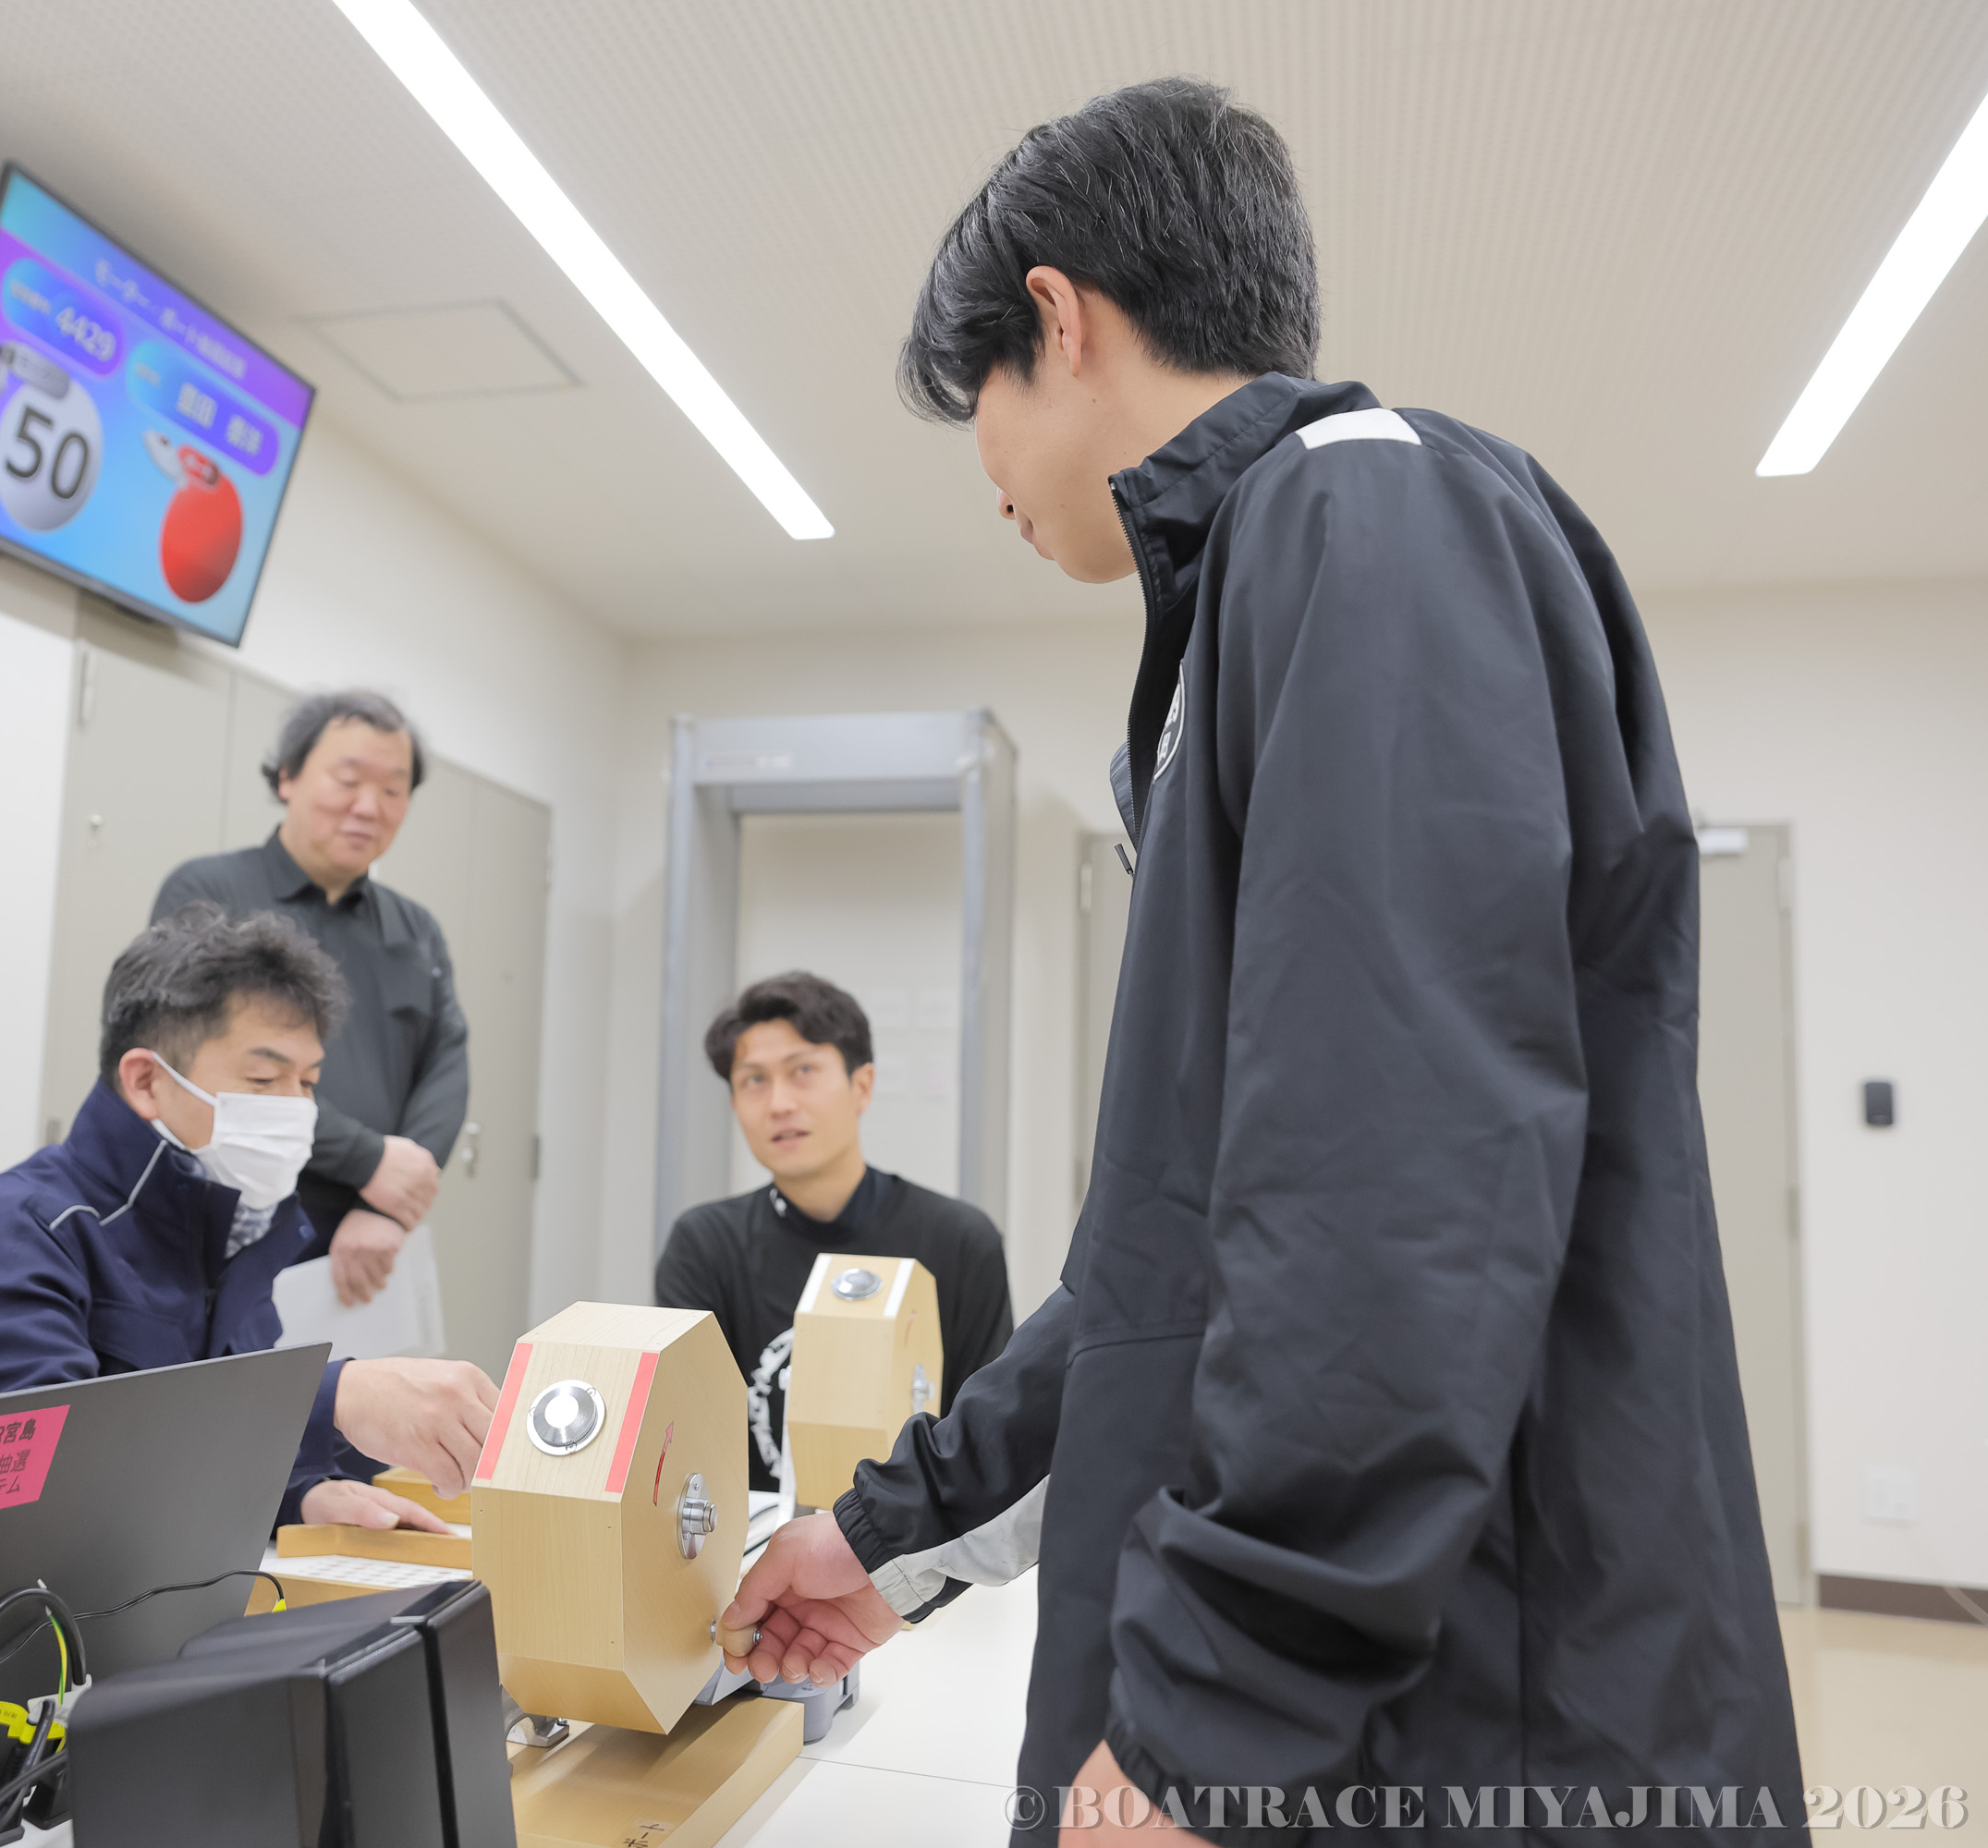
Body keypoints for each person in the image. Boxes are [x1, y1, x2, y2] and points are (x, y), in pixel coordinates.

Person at [719, 79, 1802, 1842]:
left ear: (1058, 319)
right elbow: (1174, 1259)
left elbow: (1397, 1184)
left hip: (1461, 1713)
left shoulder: (1361, 516)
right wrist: (893, 1526)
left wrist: (1218, 1708)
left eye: (980, 401)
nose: (987, 475)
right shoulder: (1266, 586)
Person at [0, 906, 496, 1645]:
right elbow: (34, 1504)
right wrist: (329, 1399)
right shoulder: (10, 1239)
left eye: (308, 1082)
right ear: (145, 1081)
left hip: (121, 1634)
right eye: (265, 1078)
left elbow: (195, 1450)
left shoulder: (232, 1232)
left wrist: (297, 1495)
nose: (298, 1112)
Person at [152, 691, 465, 1307]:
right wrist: (368, 1160)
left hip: (368, 1246)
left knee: (368, 1375)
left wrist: (391, 1206)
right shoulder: (208, 891)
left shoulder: (416, 929)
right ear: (288, 777)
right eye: (348, 781)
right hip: (226, 1230)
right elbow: (200, 1063)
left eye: (393, 790)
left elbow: (446, 1065)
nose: (369, 807)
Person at [654, 972, 1011, 1500]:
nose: (779, 1103)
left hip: (920, 1541)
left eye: (803, 1071)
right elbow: (687, 1445)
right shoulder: (704, 1246)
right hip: (757, 1537)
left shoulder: (959, 1241)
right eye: (753, 1080)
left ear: (861, 1086)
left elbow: (986, 1441)